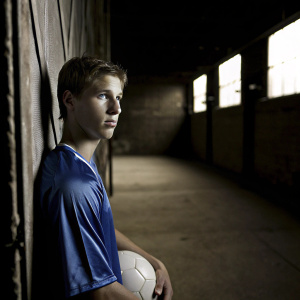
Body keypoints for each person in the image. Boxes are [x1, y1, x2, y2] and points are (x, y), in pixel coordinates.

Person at [39, 55, 173, 299]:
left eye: (118, 97)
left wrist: (154, 262)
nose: (116, 108)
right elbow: (99, 292)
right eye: (103, 96)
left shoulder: (81, 163)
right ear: (70, 100)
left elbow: (98, 226)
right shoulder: (73, 185)